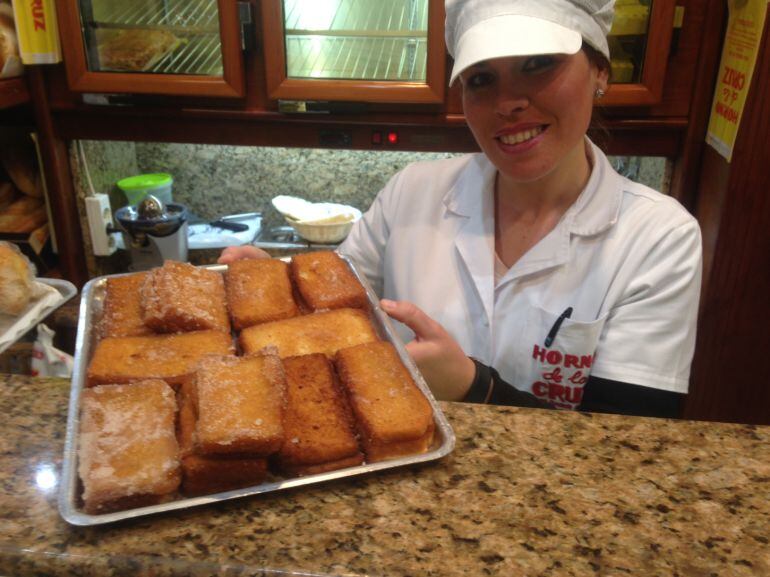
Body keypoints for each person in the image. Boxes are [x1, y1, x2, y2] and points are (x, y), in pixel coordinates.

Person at [220, 0, 702, 418]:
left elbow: (628, 445)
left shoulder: (657, 237)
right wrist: (277, 292)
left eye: (538, 63)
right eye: (482, 78)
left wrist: (476, 387)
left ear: (600, 71)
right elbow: (336, 303)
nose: (509, 102)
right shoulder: (414, 193)